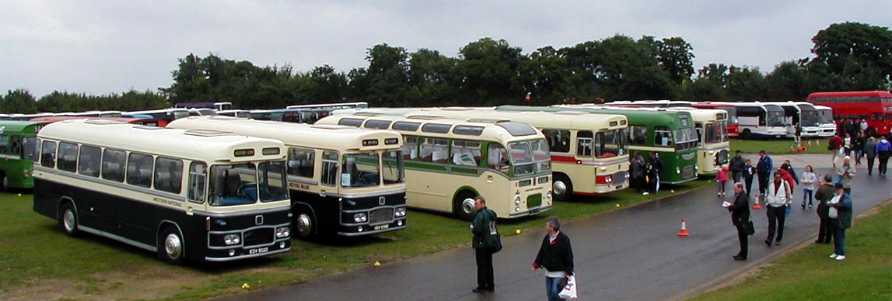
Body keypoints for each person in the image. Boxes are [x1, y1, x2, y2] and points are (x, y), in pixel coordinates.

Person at [532, 218, 574, 301]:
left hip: (560, 273)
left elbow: (569, 256)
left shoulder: (564, 239)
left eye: (547, 226)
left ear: (552, 227)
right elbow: (542, 251)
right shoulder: (547, 238)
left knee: (555, 293)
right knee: (550, 295)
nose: (545, 227)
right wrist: (536, 263)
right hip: (548, 273)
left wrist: (569, 272)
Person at [470, 196, 496, 293]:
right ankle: (490, 285)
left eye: (476, 203)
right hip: (489, 244)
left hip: (481, 244)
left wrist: (472, 227)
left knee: (481, 265)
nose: (475, 205)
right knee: (489, 265)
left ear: (482, 203)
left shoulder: (479, 215)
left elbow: (476, 229)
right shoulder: (491, 213)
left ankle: (481, 286)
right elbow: (493, 229)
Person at [764, 173, 791, 247]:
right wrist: (767, 202)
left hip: (781, 206)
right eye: (776, 177)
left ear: (781, 177)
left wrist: (786, 204)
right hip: (771, 206)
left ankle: (779, 238)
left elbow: (788, 194)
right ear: (774, 177)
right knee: (771, 223)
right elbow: (767, 193)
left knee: (781, 223)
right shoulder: (770, 183)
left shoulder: (785, 184)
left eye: (779, 177)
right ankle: (769, 239)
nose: (777, 178)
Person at [828, 183, 853, 261]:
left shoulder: (845, 196)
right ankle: (836, 251)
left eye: (836, 189)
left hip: (840, 220)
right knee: (835, 236)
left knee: (840, 236)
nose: (835, 191)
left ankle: (841, 253)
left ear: (840, 189)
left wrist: (833, 205)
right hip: (833, 219)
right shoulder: (835, 196)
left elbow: (846, 205)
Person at [728, 183, 751, 260]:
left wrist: (730, 206)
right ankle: (742, 253)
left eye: (735, 188)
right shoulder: (740, 195)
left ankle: (743, 254)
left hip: (742, 221)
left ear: (740, 188)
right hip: (740, 220)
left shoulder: (743, 197)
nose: (734, 190)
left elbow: (738, 206)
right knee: (742, 238)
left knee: (743, 238)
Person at [814, 175, 835, 244]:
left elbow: (817, 197)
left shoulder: (822, 188)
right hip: (832, 208)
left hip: (824, 207)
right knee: (830, 224)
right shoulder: (834, 188)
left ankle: (821, 239)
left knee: (823, 224)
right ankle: (828, 239)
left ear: (825, 180)